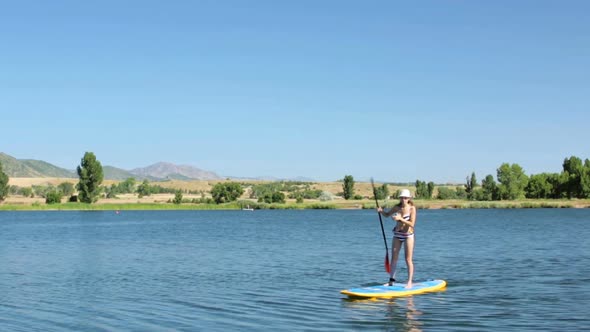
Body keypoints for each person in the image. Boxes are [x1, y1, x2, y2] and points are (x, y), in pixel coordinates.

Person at [377, 189, 417, 288]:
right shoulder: (396, 207)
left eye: (405, 198)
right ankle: (391, 281)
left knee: (408, 259)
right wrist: (381, 211)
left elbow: (412, 224)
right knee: (394, 258)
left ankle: (409, 282)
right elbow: (387, 215)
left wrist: (401, 219)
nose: (403, 199)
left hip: (408, 235)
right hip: (397, 235)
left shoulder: (412, 209)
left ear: (409, 199)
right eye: (402, 197)